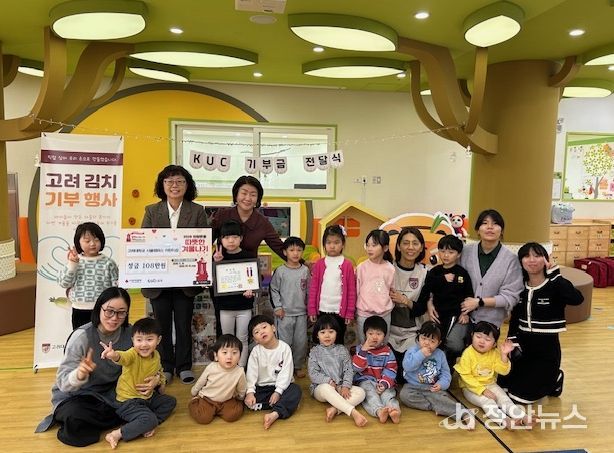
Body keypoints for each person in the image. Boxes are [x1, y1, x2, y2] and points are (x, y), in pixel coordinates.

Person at [36, 288, 162, 447]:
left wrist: (157, 379)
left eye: (121, 313)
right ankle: (134, 422)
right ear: (98, 309)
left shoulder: (131, 334)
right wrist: (80, 374)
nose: (114, 318)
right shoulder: (82, 336)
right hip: (81, 395)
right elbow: (62, 383)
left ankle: (135, 422)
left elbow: (150, 361)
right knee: (75, 418)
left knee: (154, 399)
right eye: (109, 311)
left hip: (115, 393)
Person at [141, 164, 208, 385]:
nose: (174, 185)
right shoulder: (152, 211)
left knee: (183, 323)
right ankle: (166, 366)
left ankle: (184, 366)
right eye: (169, 181)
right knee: (161, 326)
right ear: (162, 185)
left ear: (187, 185)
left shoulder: (197, 211)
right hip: (159, 279)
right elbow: (143, 242)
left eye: (180, 181)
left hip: (185, 279)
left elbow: (203, 243)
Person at [498, 242, 583, 403]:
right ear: (521, 261)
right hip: (523, 345)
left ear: (546, 259)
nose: (532, 260)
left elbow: (577, 299)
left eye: (537, 256)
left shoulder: (555, 284)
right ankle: (546, 378)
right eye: (526, 256)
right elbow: (515, 318)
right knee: (503, 386)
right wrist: (512, 341)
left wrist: (555, 275)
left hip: (547, 348)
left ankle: (555, 377)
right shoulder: (519, 287)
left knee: (520, 396)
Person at [99, 318, 177, 449]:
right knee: (149, 419)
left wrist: (161, 382)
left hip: (147, 397)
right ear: (133, 340)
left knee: (170, 402)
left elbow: (159, 371)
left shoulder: (156, 355)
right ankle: (117, 434)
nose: (144, 345)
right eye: (139, 340)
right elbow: (123, 357)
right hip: (128, 401)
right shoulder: (133, 354)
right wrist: (113, 355)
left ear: (158, 340)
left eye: (149, 339)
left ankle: (148, 424)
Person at [446, 209, 523, 332]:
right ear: (477, 230)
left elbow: (510, 297)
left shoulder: (511, 260)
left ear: (502, 230)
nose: (490, 227)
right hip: (461, 316)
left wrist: (479, 302)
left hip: (490, 322)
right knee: (453, 342)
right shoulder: (465, 252)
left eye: (495, 223)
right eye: (485, 223)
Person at [454, 321, 533, 429]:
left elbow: (503, 371)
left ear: (494, 344)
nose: (482, 341)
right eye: (478, 336)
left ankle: (523, 417)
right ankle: (504, 421)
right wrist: (482, 390)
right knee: (488, 402)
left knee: (504, 399)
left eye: (487, 339)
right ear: (472, 336)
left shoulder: (494, 353)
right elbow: (466, 377)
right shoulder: (467, 354)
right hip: (471, 388)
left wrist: (504, 355)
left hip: (490, 384)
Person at [415, 234, 473, 368]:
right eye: (442, 251)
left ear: (458, 254)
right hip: (436, 315)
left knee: (454, 345)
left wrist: (465, 313)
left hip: (455, 316)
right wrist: (442, 279)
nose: (446, 255)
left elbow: (469, 295)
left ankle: (447, 368)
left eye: (451, 252)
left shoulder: (462, 273)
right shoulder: (435, 272)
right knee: (432, 342)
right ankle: (431, 370)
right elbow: (427, 289)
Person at [400, 322, 471, 426]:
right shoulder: (412, 351)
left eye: (432, 341)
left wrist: (441, 384)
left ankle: (464, 413)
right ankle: (436, 406)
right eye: (424, 338)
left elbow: (446, 374)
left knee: (441, 397)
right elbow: (407, 367)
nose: (427, 343)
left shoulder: (440, 354)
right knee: (404, 396)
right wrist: (421, 354)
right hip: (412, 386)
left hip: (432, 387)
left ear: (438, 343)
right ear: (418, 337)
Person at [307, 315, 367, 427]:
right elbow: (313, 374)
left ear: (336, 333)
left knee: (361, 392)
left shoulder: (342, 350)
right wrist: (329, 381)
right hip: (321, 389)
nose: (327, 335)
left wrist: (346, 386)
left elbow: (348, 370)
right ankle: (353, 412)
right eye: (323, 332)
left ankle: (335, 409)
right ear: (317, 335)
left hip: (340, 388)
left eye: (331, 332)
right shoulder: (315, 352)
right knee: (326, 388)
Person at [244, 315, 302, 429]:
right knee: (245, 399)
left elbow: (286, 374)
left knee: (295, 390)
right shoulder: (256, 351)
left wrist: (278, 392)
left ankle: (275, 413)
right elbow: (251, 374)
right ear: (255, 340)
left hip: (281, 387)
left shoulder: (284, 348)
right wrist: (250, 392)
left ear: (273, 328)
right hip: (262, 388)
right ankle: (284, 404)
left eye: (264, 327)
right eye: (256, 332)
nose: (261, 332)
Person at [58, 222, 118, 329]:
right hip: (79, 310)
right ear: (78, 243)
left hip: (104, 310)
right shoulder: (74, 262)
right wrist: (72, 264)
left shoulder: (109, 263)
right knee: (81, 337)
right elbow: (64, 283)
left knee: (102, 337)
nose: (92, 244)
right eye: (87, 241)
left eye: (96, 240)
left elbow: (116, 287)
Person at [212, 219, 255, 367]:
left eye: (235, 237)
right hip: (225, 306)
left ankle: (240, 368)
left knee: (242, 338)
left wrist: (251, 289)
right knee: (227, 339)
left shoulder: (248, 256)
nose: (231, 241)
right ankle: (227, 367)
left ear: (241, 238)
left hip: (244, 306)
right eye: (226, 237)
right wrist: (216, 263)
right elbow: (211, 280)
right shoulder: (217, 256)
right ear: (221, 239)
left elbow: (255, 278)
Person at [388, 227, 428, 384]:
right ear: (398, 246)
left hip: (412, 333)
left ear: (421, 247)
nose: (410, 247)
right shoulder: (388, 268)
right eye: (406, 243)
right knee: (392, 373)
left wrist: (404, 300)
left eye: (415, 243)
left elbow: (421, 308)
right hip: (388, 334)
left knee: (404, 375)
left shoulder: (424, 272)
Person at [211, 175, 285, 259]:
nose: (248, 198)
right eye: (244, 193)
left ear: (258, 198)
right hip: (220, 265)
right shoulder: (222, 215)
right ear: (236, 194)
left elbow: (279, 247)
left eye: (253, 195)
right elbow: (206, 241)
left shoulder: (263, 222)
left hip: (249, 266)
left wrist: (297, 259)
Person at [308, 225, 356, 345]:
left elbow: (351, 291)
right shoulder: (319, 264)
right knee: (322, 340)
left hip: (339, 312)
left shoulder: (347, 265)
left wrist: (350, 312)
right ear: (324, 244)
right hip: (322, 310)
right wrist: (312, 310)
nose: (332, 246)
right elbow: (313, 289)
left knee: (338, 341)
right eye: (328, 242)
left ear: (343, 244)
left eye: (336, 242)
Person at [270, 236, 311, 377]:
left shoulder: (305, 270)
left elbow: (309, 291)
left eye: (299, 250)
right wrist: (277, 307)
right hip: (284, 314)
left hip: (301, 314)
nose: (295, 253)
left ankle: (298, 366)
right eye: (292, 250)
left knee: (301, 342)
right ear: (285, 252)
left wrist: (310, 309)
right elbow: (274, 290)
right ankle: (284, 368)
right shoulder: (280, 271)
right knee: (284, 343)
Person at [188, 334, 247, 424]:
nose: (229, 357)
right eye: (224, 352)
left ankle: (220, 411)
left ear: (239, 357)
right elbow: (201, 381)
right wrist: (194, 391)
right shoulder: (211, 367)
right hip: (208, 399)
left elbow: (242, 388)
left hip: (227, 400)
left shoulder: (239, 371)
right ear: (216, 356)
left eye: (234, 353)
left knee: (233, 415)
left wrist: (241, 397)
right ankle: (194, 402)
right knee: (203, 418)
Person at [352, 315, 401, 424]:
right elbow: (356, 368)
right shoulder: (360, 349)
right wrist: (363, 351)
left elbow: (391, 369)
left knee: (388, 395)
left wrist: (384, 384)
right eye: (370, 333)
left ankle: (394, 410)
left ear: (384, 335)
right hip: (366, 381)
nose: (374, 337)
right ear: (365, 334)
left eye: (378, 334)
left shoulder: (388, 351)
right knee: (370, 395)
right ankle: (379, 411)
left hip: (383, 382)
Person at [355, 229, 395, 345]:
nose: (369, 248)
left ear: (385, 248)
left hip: (384, 314)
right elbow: (356, 290)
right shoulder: (361, 267)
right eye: (367, 245)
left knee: (382, 346)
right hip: (364, 314)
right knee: (364, 345)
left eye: (374, 245)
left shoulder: (390, 269)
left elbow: (392, 290)